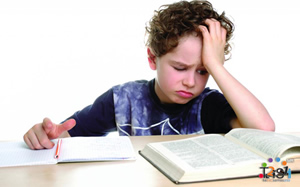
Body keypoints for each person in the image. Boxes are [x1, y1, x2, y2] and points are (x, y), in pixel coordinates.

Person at [23, 0, 275, 150]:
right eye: (179, 68)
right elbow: (65, 135)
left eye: (203, 71)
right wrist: (46, 137)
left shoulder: (207, 105)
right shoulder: (124, 100)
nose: (191, 81)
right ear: (153, 58)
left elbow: (263, 129)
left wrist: (217, 66)